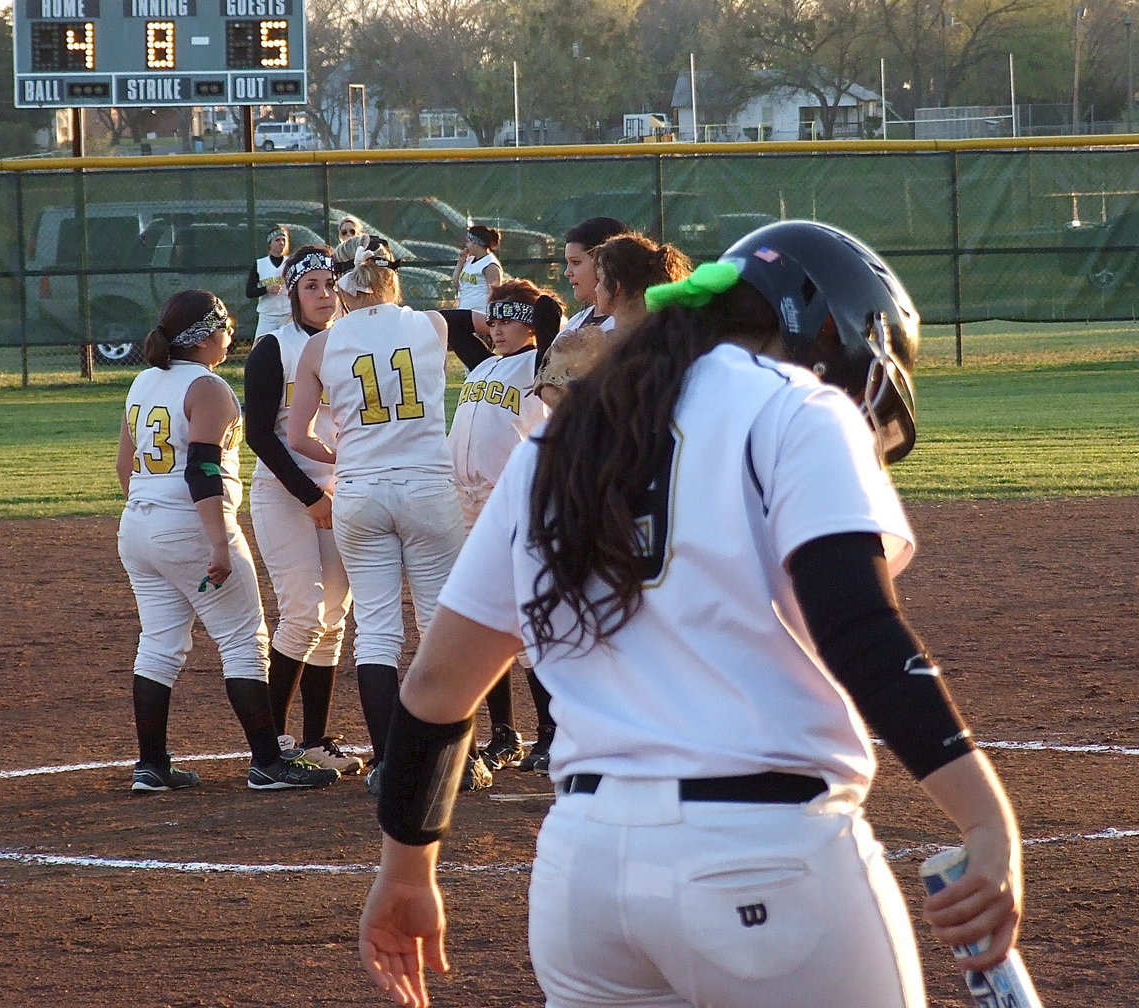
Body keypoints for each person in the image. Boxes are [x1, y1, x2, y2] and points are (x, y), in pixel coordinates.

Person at [357, 221, 1025, 1008]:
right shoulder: (797, 407)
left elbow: (436, 686)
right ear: (818, 329)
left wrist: (406, 869)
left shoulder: (561, 441)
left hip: (584, 876)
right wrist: (986, 820)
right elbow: (859, 629)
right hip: (764, 853)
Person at [286, 234, 491, 795]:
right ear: (391, 278)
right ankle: (456, 758)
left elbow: (296, 434)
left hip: (360, 490)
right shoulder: (431, 325)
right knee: (438, 626)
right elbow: (495, 313)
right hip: (427, 486)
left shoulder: (319, 347)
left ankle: (387, 763)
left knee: (375, 631)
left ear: (342, 284)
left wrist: (338, 454)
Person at [117, 289, 339, 793]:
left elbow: (124, 466)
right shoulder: (209, 388)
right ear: (204, 335)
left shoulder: (143, 381)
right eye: (223, 326)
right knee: (244, 641)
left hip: (138, 523)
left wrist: (150, 512)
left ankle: (151, 765)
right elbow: (202, 469)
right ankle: (267, 762)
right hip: (190, 523)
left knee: (158, 645)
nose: (230, 334)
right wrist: (217, 542)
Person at [244, 245, 362, 776]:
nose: (323, 294)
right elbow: (259, 435)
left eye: (329, 284)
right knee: (302, 612)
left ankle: (315, 741)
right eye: (310, 285)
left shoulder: (354, 343)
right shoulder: (274, 346)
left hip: (339, 489)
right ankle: (269, 748)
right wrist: (310, 496)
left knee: (334, 618)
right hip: (283, 490)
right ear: (291, 292)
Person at [516, 214, 628, 774]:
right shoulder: (580, 323)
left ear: (609, 264)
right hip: (578, 478)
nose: (569, 272)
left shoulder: (639, 326)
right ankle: (566, 732)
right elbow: (551, 390)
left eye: (578, 261)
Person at [446, 279, 564, 771]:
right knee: (487, 614)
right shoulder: (486, 363)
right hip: (466, 504)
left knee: (529, 613)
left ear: (531, 323)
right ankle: (503, 732)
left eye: (505, 318)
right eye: (491, 319)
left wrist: (536, 311)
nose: (494, 328)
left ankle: (550, 733)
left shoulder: (539, 364)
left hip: (511, 500)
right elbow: (451, 323)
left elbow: (554, 323)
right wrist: (488, 312)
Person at [534, 231, 693, 408]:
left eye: (600, 279)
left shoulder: (618, 351)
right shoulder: (674, 334)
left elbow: (595, 415)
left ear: (616, 287)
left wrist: (549, 385)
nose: (597, 288)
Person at [247, 225, 292, 338]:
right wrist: (266, 289)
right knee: (260, 349)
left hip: (288, 314)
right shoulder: (260, 264)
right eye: (277, 240)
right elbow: (249, 292)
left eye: (283, 240)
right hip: (267, 317)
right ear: (269, 243)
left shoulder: (290, 263)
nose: (281, 243)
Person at [453, 225, 503, 313]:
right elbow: (456, 284)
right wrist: (460, 263)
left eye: (468, 242)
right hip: (464, 311)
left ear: (477, 243)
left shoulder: (490, 265)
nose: (466, 245)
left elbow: (495, 296)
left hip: (480, 314)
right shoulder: (469, 260)